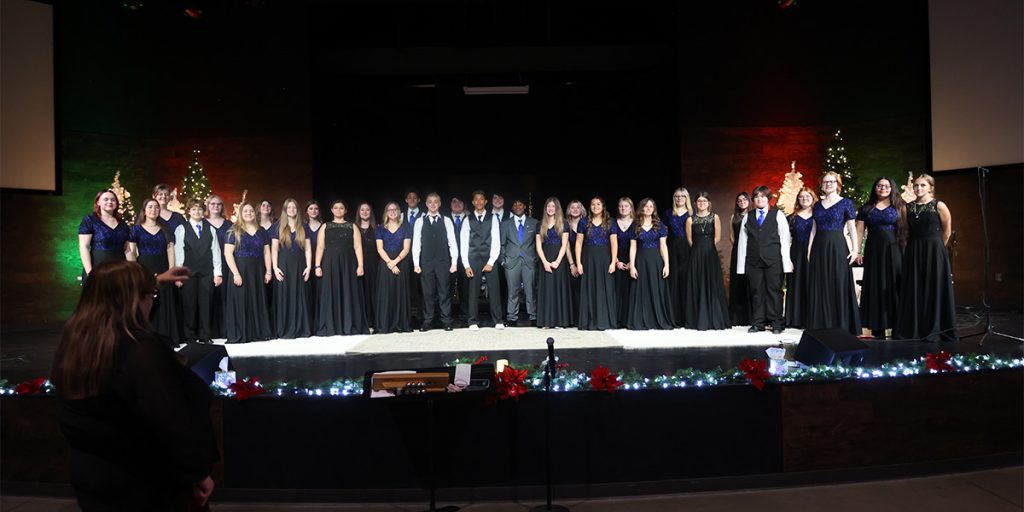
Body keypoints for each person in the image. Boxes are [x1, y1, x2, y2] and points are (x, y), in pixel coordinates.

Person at [52, 260, 217, 511]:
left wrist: (155, 281)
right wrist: (196, 472)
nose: (152, 302)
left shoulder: (75, 344)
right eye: (150, 295)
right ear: (132, 300)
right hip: (145, 483)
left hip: (94, 477)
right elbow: (168, 418)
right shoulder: (139, 349)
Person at [895, 174, 957, 342]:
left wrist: (937, 249)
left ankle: (936, 327)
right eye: (916, 185)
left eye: (922, 185)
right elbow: (906, 231)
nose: (918, 188)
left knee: (934, 287)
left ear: (931, 187)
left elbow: (947, 232)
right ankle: (915, 328)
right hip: (914, 250)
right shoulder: (907, 208)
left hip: (935, 250)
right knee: (915, 288)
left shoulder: (939, 205)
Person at [806, 172, 861, 335]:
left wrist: (855, 250)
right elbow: (814, 230)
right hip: (819, 247)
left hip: (837, 246)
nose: (828, 184)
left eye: (831, 181)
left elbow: (852, 228)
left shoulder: (846, 203)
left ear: (838, 183)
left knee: (839, 281)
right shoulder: (817, 205)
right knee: (820, 284)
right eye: (825, 182)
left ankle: (842, 324)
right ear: (822, 184)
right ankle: (821, 325)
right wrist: (809, 249)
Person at [736, 186, 793, 334]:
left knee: (774, 291)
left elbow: (785, 240)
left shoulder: (778, 215)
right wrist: (741, 266)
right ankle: (758, 322)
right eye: (756, 197)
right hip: (753, 262)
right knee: (757, 292)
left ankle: (776, 322)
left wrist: (786, 263)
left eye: (763, 196)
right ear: (753, 200)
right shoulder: (748, 216)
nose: (759, 199)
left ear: (768, 198)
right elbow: (743, 242)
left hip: (773, 261)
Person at [856, 177, 906, 338]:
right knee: (875, 285)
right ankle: (877, 326)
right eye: (879, 185)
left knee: (895, 284)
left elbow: (906, 230)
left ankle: (898, 325)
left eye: (886, 186)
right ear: (875, 188)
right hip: (874, 251)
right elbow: (859, 231)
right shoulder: (866, 208)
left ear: (892, 188)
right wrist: (857, 251)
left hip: (895, 250)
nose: (883, 188)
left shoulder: (900, 206)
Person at [130, 198, 181, 345]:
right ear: (144, 210)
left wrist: (171, 271)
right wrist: (138, 272)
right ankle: (148, 337)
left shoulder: (165, 229)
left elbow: (170, 250)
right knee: (148, 302)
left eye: (156, 208)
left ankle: (166, 337)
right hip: (144, 268)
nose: (153, 210)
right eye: (150, 207)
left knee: (165, 302)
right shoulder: (136, 229)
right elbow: (132, 252)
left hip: (163, 268)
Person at [174, 199, 223, 344]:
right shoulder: (181, 229)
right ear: (189, 211)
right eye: (194, 209)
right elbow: (178, 253)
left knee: (206, 304)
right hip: (188, 273)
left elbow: (216, 252)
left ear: (204, 211)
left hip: (207, 273)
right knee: (189, 304)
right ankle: (190, 336)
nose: (197, 212)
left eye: (200, 209)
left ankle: (205, 335)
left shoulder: (210, 229)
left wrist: (218, 273)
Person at [315, 200, 367, 336]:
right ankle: (332, 325)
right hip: (330, 263)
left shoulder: (352, 226)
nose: (339, 210)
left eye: (341, 208)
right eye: (336, 208)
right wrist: (317, 265)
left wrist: (360, 265)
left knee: (348, 291)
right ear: (331, 210)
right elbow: (320, 247)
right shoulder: (325, 226)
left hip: (348, 264)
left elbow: (358, 247)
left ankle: (348, 324)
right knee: (331, 291)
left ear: (345, 210)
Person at [224, 202, 273, 343]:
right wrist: (236, 273)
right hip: (241, 270)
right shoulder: (233, 230)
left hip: (258, 270)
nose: (248, 213)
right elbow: (228, 254)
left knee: (257, 299)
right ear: (240, 213)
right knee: (242, 300)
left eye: (251, 211)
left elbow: (266, 252)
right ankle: (242, 333)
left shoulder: (262, 231)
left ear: (255, 213)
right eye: (245, 211)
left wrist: (268, 271)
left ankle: (258, 332)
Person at [412, 193, 459, 331]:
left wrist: (454, 262)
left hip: (443, 262)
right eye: (430, 202)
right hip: (426, 262)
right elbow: (416, 244)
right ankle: (427, 320)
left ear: (439, 204)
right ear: (426, 204)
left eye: (435, 202)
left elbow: (452, 242)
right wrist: (416, 263)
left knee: (444, 292)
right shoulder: (420, 221)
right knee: (428, 293)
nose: (433, 204)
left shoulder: (446, 221)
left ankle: (446, 320)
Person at [684, 192, 730, 330]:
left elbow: (717, 237)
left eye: (704, 201)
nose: (701, 203)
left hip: (710, 254)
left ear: (708, 203)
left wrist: (708, 248)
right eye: (699, 201)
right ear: (695, 203)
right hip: (696, 255)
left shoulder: (714, 217)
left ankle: (713, 318)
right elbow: (690, 240)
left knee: (712, 283)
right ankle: (697, 319)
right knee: (697, 283)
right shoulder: (690, 220)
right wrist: (699, 250)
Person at [627, 198, 674, 330]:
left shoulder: (660, 225)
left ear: (654, 209)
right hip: (641, 260)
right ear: (641, 208)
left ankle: (657, 319)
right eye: (646, 206)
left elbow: (663, 246)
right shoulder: (634, 226)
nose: (648, 209)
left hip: (655, 261)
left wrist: (667, 265)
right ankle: (641, 319)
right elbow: (633, 247)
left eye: (651, 207)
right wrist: (632, 265)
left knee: (655, 288)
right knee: (641, 289)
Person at [460, 190, 504, 330]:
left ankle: (497, 320)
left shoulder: (493, 218)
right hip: (473, 258)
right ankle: (472, 321)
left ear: (485, 202)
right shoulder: (467, 219)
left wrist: (491, 262)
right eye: (476, 200)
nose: (479, 202)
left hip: (489, 257)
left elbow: (496, 241)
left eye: (481, 199)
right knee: (473, 290)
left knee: (494, 289)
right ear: (473, 202)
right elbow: (464, 243)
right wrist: (466, 265)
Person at [271, 198, 313, 339]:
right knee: (285, 296)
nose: (292, 210)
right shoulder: (278, 227)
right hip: (284, 265)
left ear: (297, 210)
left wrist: (308, 267)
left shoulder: (304, 226)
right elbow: (274, 249)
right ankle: (285, 328)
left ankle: (301, 328)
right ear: (285, 210)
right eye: (289, 207)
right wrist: (275, 268)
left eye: (294, 207)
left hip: (300, 265)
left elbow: (307, 249)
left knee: (300, 296)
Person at [575, 196, 618, 330]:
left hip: (605, 258)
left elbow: (614, 243)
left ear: (603, 206)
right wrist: (578, 263)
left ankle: (605, 321)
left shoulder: (610, 222)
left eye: (598, 204)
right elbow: (578, 243)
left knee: (605, 289)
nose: (595, 206)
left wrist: (613, 261)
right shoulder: (583, 222)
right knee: (589, 288)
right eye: (593, 204)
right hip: (588, 259)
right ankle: (589, 321)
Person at [79, 190, 135, 282]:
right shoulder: (90, 220)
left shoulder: (123, 224)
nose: (110, 202)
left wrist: (133, 271)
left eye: (113, 200)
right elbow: (84, 247)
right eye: (106, 199)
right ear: (98, 202)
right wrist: (90, 272)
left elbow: (127, 249)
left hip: (120, 271)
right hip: (97, 270)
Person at [500, 198, 539, 327]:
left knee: (531, 290)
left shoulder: (534, 223)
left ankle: (533, 316)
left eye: (520, 204)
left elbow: (538, 243)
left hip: (529, 261)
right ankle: (511, 317)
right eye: (515, 204)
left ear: (525, 206)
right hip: (511, 262)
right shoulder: (505, 224)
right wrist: (503, 261)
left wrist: (536, 260)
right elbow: (502, 244)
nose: (517, 207)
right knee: (512, 291)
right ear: (512, 207)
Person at [536, 197, 574, 328]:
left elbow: (565, 245)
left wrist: (557, 261)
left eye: (553, 206)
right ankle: (546, 321)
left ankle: (560, 321)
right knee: (547, 290)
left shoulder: (564, 223)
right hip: (545, 260)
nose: (551, 209)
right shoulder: (540, 224)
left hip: (559, 260)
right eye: (548, 206)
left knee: (559, 289)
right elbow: (538, 246)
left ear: (557, 209)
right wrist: (545, 262)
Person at [375, 202, 413, 333]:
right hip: (385, 263)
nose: (392, 211)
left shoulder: (406, 227)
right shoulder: (380, 228)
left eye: (395, 209)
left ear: (399, 211)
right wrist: (390, 264)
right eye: (389, 210)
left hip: (401, 262)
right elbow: (379, 249)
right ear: (386, 212)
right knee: (387, 293)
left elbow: (406, 248)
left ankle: (401, 324)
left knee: (400, 293)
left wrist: (395, 262)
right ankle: (386, 324)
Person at [785, 188, 817, 329]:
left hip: (814, 253)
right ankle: (796, 319)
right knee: (796, 284)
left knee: (812, 283)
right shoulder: (791, 218)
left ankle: (812, 319)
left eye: (807, 196)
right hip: (796, 253)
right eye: (801, 197)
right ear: (797, 200)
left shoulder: (818, 215)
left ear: (813, 197)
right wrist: (788, 259)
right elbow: (787, 240)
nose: (804, 199)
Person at [205, 194, 233, 339]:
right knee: (209, 297)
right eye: (213, 204)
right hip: (208, 264)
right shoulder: (202, 223)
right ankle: (210, 331)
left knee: (225, 296)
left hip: (226, 263)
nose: (216, 207)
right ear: (208, 206)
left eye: (219, 204)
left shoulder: (229, 225)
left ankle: (225, 330)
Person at [664, 187, 692, 328]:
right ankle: (674, 317)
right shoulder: (668, 213)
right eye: (676, 196)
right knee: (673, 282)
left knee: (686, 281)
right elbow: (664, 235)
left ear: (687, 198)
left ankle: (687, 317)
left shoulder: (692, 214)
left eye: (682, 196)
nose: (679, 198)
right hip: (672, 249)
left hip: (688, 249)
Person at [610, 197, 636, 328]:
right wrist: (615, 260)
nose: (623, 208)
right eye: (621, 206)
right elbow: (608, 243)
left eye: (626, 206)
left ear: (631, 208)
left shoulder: (637, 223)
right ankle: (617, 319)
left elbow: (639, 244)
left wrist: (632, 262)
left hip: (633, 259)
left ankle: (629, 320)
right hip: (616, 258)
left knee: (631, 290)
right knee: (617, 289)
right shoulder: (613, 222)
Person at [728, 192, 751, 326]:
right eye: (739, 200)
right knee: (737, 282)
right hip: (737, 250)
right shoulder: (733, 217)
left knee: (749, 282)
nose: (742, 202)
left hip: (751, 251)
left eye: (744, 199)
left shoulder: (753, 216)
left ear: (749, 201)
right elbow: (731, 237)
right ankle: (737, 317)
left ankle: (750, 316)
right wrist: (739, 248)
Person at [356, 202, 378, 333]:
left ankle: (372, 322)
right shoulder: (353, 228)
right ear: (358, 212)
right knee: (360, 293)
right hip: (358, 265)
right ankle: (360, 322)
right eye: (362, 210)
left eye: (367, 210)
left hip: (374, 265)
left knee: (373, 293)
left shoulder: (377, 228)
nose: (365, 212)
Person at [448, 197, 470, 324]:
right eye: (454, 201)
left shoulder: (470, 219)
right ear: (450, 204)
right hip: (449, 259)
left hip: (466, 259)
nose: (457, 204)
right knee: (447, 286)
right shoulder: (444, 219)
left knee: (466, 287)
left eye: (460, 202)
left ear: (465, 205)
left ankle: (465, 313)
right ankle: (448, 313)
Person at [565, 199, 586, 325]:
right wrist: (573, 264)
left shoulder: (586, 223)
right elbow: (566, 245)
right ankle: (573, 319)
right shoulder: (565, 224)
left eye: (578, 207)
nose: (575, 210)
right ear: (568, 210)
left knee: (584, 289)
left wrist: (581, 263)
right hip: (569, 258)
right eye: (572, 207)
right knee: (572, 289)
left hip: (586, 258)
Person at [303, 200, 323, 330]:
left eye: (316, 208)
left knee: (321, 292)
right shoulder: (303, 227)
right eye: (311, 208)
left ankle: (320, 321)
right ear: (306, 211)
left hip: (321, 263)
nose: (313, 211)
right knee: (308, 292)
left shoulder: (324, 226)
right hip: (306, 263)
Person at [490, 192, 509, 321]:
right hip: (489, 256)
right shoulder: (485, 215)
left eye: (500, 197)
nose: (497, 200)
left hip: (506, 256)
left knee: (505, 285)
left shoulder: (510, 216)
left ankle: (504, 314)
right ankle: (493, 315)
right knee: (491, 287)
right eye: (495, 198)